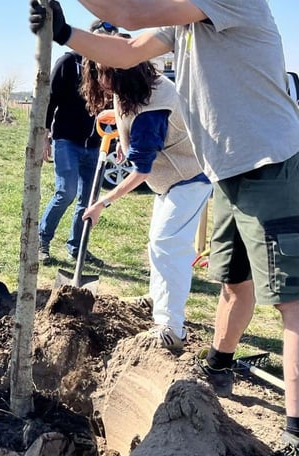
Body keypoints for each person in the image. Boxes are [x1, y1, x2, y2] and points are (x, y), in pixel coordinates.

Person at [30, 2, 299, 456]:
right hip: (227, 169)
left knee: (292, 301)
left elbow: (126, 14)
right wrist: (65, 32)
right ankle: (218, 365)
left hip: (269, 161)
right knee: (234, 282)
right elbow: (126, 50)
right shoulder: (183, 21)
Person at [79, 59, 211, 351]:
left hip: (190, 177)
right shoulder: (132, 88)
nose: (100, 82)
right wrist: (121, 132)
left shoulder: (152, 109)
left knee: (168, 244)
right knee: (157, 244)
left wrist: (105, 201)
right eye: (95, 74)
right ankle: (158, 303)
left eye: (104, 74)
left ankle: (172, 328)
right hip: (171, 181)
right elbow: (130, 116)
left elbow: (141, 171)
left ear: (124, 72)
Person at [38, 20, 116, 267]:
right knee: (66, 192)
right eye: (101, 38)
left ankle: (77, 246)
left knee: (88, 199)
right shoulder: (68, 63)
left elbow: (118, 106)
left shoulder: (111, 68)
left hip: (96, 144)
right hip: (66, 140)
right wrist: (44, 136)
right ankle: (42, 242)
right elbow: (49, 102)